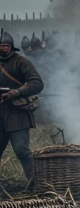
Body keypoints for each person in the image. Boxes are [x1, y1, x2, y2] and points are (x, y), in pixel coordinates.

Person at [0, 29, 44, 190]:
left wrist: (17, 92)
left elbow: (37, 83)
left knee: (22, 151)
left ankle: (36, 186)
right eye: (0, 45)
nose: (2, 48)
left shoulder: (21, 62)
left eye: (5, 45)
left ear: (11, 47)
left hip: (16, 115)